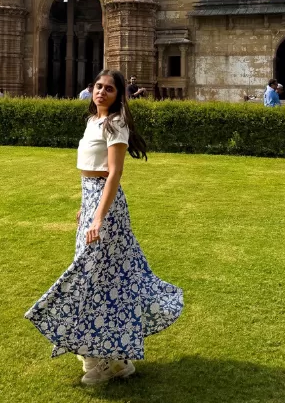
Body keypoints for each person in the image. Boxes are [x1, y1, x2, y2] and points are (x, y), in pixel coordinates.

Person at [25, 69, 182, 385]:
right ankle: (119, 360)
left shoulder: (116, 123)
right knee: (105, 280)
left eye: (109, 89)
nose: (101, 92)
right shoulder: (92, 121)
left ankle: (99, 361)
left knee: (94, 280)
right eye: (98, 86)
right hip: (92, 201)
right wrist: (85, 208)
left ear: (119, 94)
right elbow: (89, 175)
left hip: (107, 210)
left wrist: (98, 216)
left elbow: (113, 174)